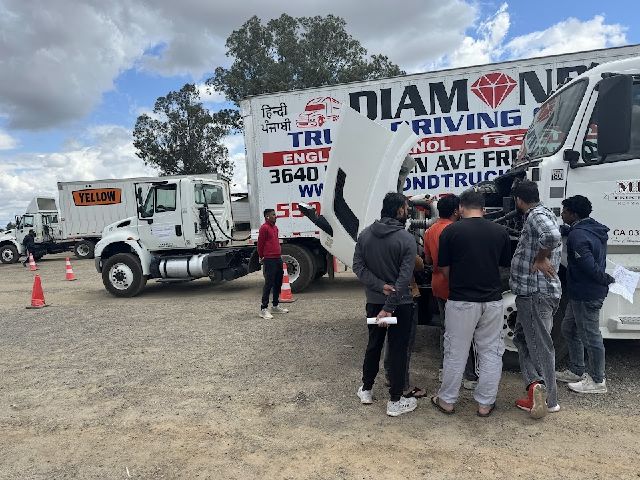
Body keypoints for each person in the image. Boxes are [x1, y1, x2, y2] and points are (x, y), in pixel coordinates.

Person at [432, 189, 511, 417]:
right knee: (491, 351)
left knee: (456, 351)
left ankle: (447, 400)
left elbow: (444, 268)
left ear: (460, 209)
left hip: (461, 300)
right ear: (484, 209)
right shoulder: (500, 231)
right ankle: (485, 404)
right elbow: (503, 264)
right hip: (493, 300)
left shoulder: (450, 231)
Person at [353, 192, 418, 417]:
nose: (408, 211)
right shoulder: (407, 239)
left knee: (374, 345)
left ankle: (367, 389)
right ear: (399, 210)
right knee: (398, 351)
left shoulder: (364, 235)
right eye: (407, 207)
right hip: (400, 305)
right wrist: (389, 305)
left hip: (374, 303)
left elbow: (358, 268)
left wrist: (380, 287)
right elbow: (403, 279)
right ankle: (395, 401)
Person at [509, 180, 563, 419]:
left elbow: (551, 236)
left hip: (535, 294)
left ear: (518, 200)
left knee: (541, 346)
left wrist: (541, 258)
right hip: (536, 294)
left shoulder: (535, 215)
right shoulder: (545, 212)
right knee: (521, 338)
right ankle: (535, 387)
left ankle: (549, 400)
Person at [556, 195, 614, 394]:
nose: (562, 215)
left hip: (587, 293)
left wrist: (605, 279)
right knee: (569, 329)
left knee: (591, 337)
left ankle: (597, 381)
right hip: (578, 292)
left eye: (564, 211)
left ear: (573, 213)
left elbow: (587, 265)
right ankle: (576, 369)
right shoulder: (591, 228)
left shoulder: (578, 236)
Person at [424, 195, 477, 389]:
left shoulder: (430, 231)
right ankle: (469, 375)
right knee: (466, 331)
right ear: (456, 211)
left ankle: (443, 369)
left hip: (438, 285)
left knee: (445, 329)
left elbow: (428, 261)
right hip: (458, 287)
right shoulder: (458, 230)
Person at [383, 254, 426, 399]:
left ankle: (390, 375)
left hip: (383, 293)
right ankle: (403, 385)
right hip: (404, 297)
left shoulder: (372, 238)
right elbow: (419, 265)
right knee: (404, 343)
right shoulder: (402, 241)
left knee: (391, 340)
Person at [257, 208, 289, 319]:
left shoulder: (275, 228)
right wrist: (261, 257)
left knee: (278, 282)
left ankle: (275, 306)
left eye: (275, 214)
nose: (276, 216)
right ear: (267, 217)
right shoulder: (264, 228)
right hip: (269, 259)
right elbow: (260, 244)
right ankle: (263, 308)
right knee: (269, 283)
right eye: (273, 214)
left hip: (277, 258)